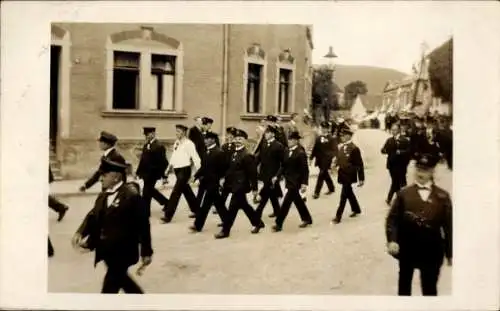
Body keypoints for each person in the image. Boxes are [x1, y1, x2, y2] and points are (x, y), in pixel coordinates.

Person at [72, 157, 153, 294]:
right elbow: (93, 216)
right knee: (125, 282)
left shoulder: (131, 196)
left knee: (110, 287)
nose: (101, 179)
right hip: (107, 251)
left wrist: (146, 252)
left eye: (104, 175)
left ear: (115, 177)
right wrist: (81, 232)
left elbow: (143, 225)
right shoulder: (103, 195)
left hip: (124, 252)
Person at [385, 153, 452, 296]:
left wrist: (450, 252)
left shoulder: (442, 197)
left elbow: (448, 226)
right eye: (419, 169)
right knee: (404, 288)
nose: (421, 173)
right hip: (407, 248)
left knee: (429, 289)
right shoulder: (404, 194)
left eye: (426, 170)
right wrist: (392, 240)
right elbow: (393, 219)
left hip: (432, 251)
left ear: (433, 172)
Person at [214, 129, 260, 239]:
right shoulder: (234, 152)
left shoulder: (247, 155)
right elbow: (230, 169)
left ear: (245, 141)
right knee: (244, 205)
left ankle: (225, 230)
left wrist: (255, 189)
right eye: (236, 139)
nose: (237, 141)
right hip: (232, 184)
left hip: (240, 186)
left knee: (232, 208)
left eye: (240, 139)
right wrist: (223, 179)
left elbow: (252, 173)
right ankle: (257, 222)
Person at [272, 131, 312, 232]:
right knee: (298, 201)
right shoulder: (286, 151)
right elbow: (283, 166)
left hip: (296, 182)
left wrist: (304, 183)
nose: (288, 141)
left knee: (286, 202)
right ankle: (307, 219)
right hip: (288, 180)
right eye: (288, 139)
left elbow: (305, 170)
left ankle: (278, 223)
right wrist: (277, 176)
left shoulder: (300, 153)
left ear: (296, 141)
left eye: (291, 140)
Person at [161, 124, 201, 223]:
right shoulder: (177, 142)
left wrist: (199, 172)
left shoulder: (189, 143)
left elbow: (196, 158)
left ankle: (168, 215)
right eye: (176, 131)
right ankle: (197, 210)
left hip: (185, 170)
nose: (176, 133)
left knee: (176, 192)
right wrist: (168, 168)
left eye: (178, 131)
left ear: (183, 132)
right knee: (187, 191)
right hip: (177, 170)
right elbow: (174, 156)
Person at [190, 131, 228, 232]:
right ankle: (227, 220)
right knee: (219, 204)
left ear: (213, 140)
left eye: (207, 139)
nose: (205, 141)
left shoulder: (219, 152)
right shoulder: (205, 151)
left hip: (213, 183)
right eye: (205, 139)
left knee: (205, 205)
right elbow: (203, 167)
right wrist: (195, 176)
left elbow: (223, 169)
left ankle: (198, 225)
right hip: (206, 182)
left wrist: (220, 180)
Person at [254, 125, 286, 225]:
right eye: (265, 133)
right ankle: (278, 211)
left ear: (272, 134)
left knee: (265, 194)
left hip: (273, 175)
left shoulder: (278, 146)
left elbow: (283, 163)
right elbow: (259, 157)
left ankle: (257, 213)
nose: (265, 135)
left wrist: (278, 175)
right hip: (264, 173)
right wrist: (253, 165)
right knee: (272, 194)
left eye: (267, 133)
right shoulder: (264, 144)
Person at [333, 126, 364, 224]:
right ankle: (356, 209)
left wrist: (361, 178)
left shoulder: (354, 148)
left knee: (343, 195)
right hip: (342, 173)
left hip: (350, 174)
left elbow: (359, 164)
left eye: (344, 135)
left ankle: (338, 216)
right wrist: (335, 165)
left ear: (349, 136)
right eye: (341, 135)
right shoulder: (341, 147)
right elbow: (339, 158)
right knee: (349, 193)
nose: (342, 137)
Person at [135, 127, 169, 217]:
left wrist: (164, 176)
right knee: (150, 190)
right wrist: (138, 172)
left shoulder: (159, 146)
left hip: (153, 173)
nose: (147, 136)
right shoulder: (146, 145)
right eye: (146, 135)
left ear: (153, 134)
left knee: (146, 192)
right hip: (145, 173)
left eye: (149, 134)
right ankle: (166, 202)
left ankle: (145, 212)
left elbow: (164, 162)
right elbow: (143, 160)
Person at [381, 123, 412, 205]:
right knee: (395, 182)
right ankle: (399, 200)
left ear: (399, 130)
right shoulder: (389, 140)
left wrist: (401, 152)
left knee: (401, 182)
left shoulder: (405, 140)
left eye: (395, 129)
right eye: (392, 129)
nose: (393, 131)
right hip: (392, 165)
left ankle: (393, 199)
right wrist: (384, 150)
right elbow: (383, 149)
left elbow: (409, 152)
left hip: (401, 165)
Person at [310, 121, 337, 199]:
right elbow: (315, 148)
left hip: (327, 160)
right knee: (325, 174)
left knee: (321, 175)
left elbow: (335, 150)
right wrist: (311, 158)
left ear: (328, 129)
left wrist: (333, 159)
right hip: (319, 160)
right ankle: (331, 188)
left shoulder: (331, 138)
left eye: (325, 128)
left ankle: (316, 192)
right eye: (322, 128)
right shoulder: (318, 138)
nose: (324, 130)